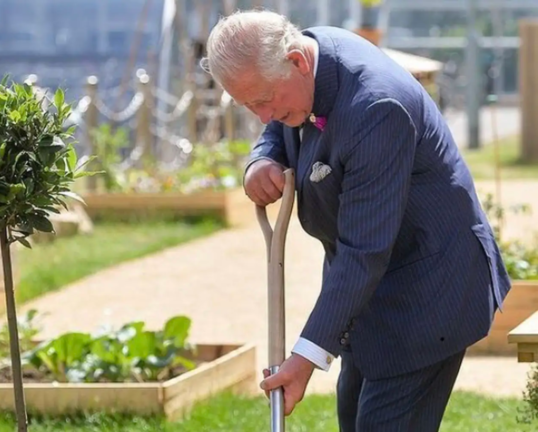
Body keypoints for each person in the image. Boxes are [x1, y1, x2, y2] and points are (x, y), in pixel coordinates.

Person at [200, 10, 510, 432]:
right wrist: (263, 158)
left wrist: (305, 359)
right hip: (372, 298)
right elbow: (277, 125)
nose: (262, 116)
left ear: (297, 61)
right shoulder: (305, 57)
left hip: (428, 292)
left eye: (264, 100)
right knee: (355, 420)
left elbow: (363, 252)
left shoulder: (377, 107)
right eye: (248, 105)